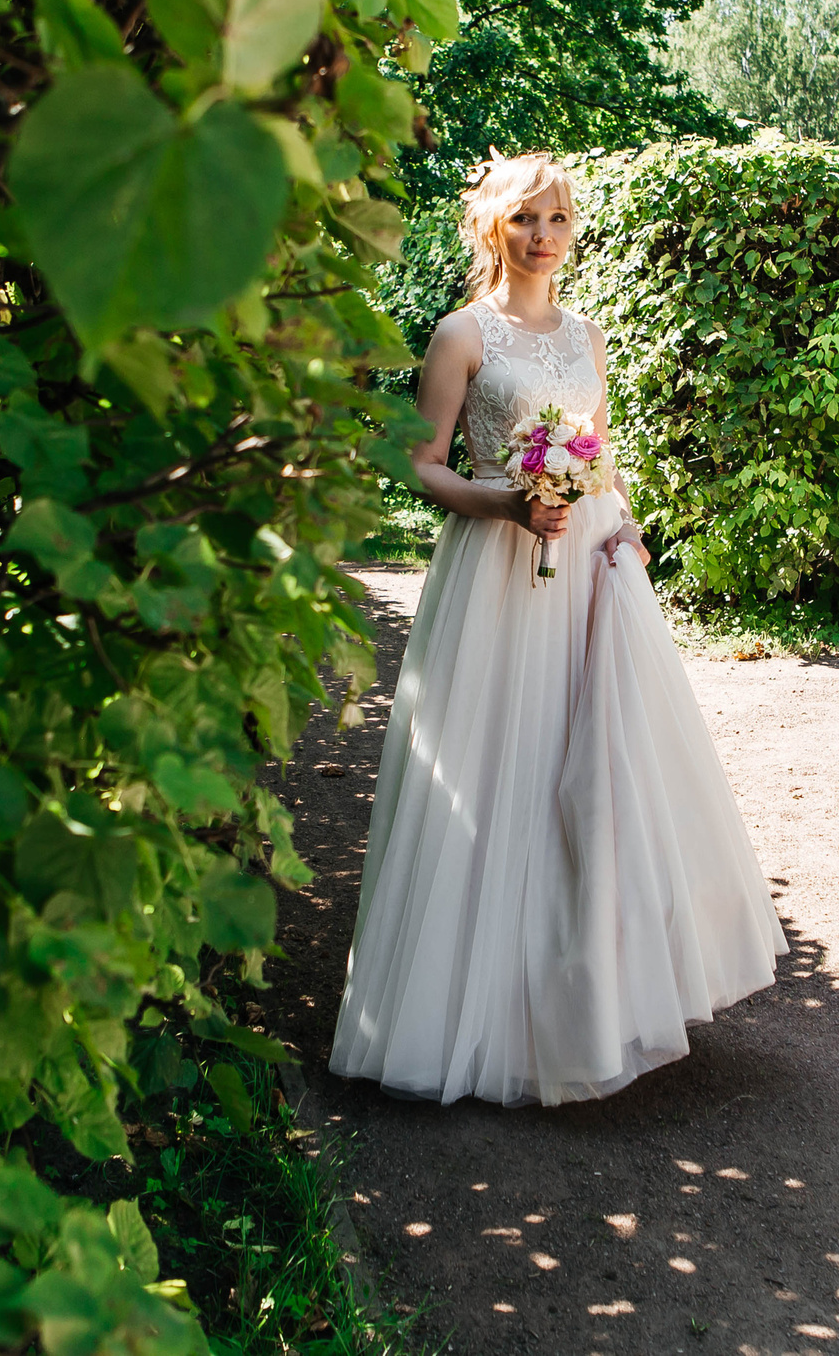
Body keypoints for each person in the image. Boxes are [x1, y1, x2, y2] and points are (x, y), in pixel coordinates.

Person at [328, 152, 788, 1106]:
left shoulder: (588, 335)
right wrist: (504, 503)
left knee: (586, 770)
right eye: (528, 218)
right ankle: (470, 1013)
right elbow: (424, 466)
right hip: (494, 577)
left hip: (584, 569)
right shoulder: (460, 335)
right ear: (494, 224)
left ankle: (581, 1000)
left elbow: (601, 456)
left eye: (560, 218)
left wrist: (622, 531)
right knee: (498, 767)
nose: (545, 235)